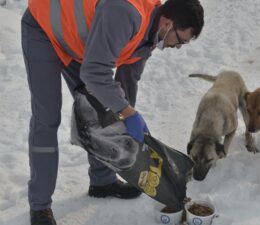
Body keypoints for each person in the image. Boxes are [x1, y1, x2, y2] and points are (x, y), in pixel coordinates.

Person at [21, 0, 204, 224]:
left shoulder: (150, 37)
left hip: (79, 43)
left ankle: (102, 181)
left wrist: (125, 117)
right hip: (45, 30)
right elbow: (95, 73)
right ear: (168, 23)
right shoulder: (125, 13)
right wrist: (127, 113)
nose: (177, 47)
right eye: (180, 40)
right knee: (47, 118)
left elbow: (126, 85)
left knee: (100, 111)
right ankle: (40, 207)